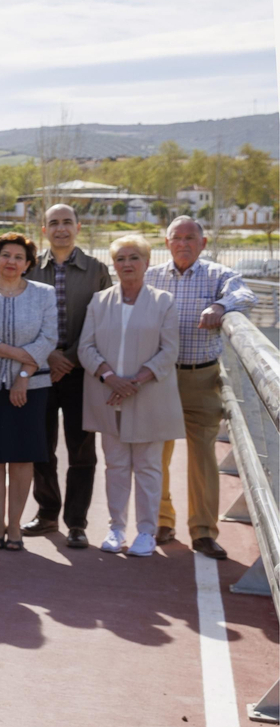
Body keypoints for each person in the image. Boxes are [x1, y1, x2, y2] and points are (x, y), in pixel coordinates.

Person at [146, 217, 257, 558]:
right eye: (176, 238)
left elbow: (245, 293)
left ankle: (203, 531)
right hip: (160, 379)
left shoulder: (217, 275)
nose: (183, 243)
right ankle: (162, 521)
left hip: (201, 377)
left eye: (190, 237)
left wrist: (221, 305)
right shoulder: (152, 276)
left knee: (203, 458)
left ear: (203, 243)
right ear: (166, 243)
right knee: (155, 455)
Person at [76, 235, 183, 557]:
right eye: (120, 258)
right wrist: (110, 377)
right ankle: (116, 528)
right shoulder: (99, 301)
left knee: (149, 466)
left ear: (147, 262)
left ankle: (146, 532)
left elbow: (169, 350)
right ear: (114, 264)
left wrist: (137, 379)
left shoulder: (163, 301)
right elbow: (86, 347)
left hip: (148, 395)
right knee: (116, 465)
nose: (127, 264)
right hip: (108, 395)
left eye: (134, 257)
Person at [0, 232, 58, 551]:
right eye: (6, 255)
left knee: (21, 457)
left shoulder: (44, 294)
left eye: (19, 257)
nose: (11, 262)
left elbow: (48, 339)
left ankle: (15, 524)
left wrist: (23, 376)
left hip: (30, 389)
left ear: (28, 263)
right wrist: (18, 354)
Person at [24, 204, 112, 549]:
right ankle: (47, 513)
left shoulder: (97, 271)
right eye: (53, 223)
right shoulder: (30, 269)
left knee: (81, 449)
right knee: (41, 447)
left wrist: (71, 358)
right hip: (39, 368)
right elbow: (23, 316)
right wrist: (48, 354)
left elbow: (103, 322)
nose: (61, 228)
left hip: (80, 373)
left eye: (67, 222)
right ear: (44, 229)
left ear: (78, 227)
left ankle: (76, 522)